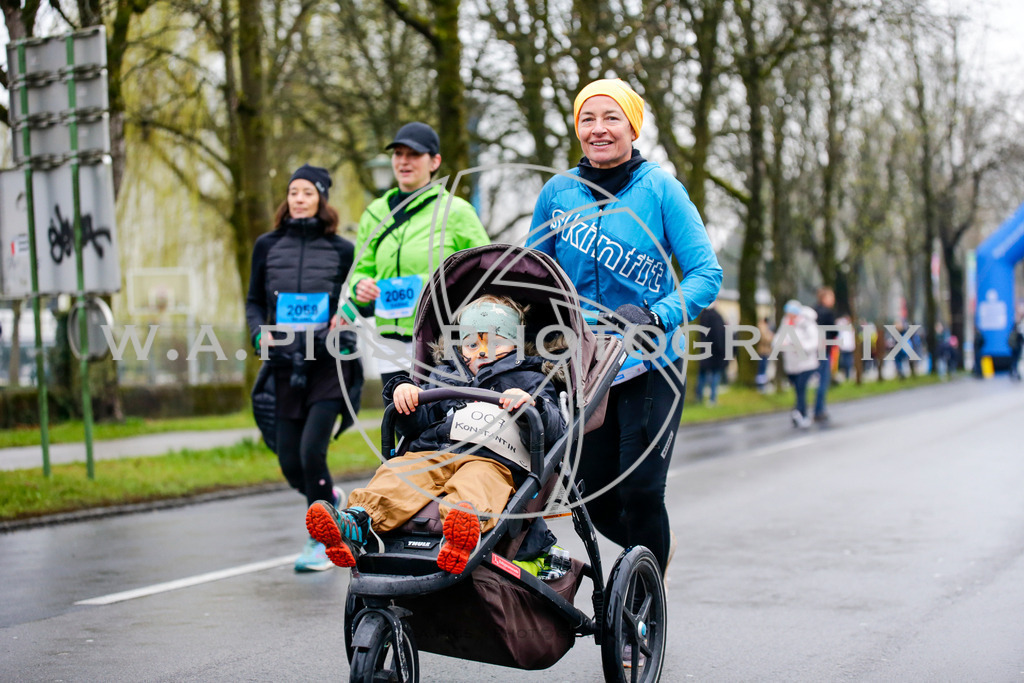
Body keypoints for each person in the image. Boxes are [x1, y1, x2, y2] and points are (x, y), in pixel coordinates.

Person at [527, 78, 722, 574]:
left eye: (611, 118)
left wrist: (659, 314)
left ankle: (641, 604)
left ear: (632, 127)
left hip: (651, 361)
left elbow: (706, 274)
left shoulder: (661, 188)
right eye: (587, 119)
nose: (599, 129)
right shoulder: (557, 194)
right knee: (590, 499)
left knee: (639, 488)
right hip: (584, 367)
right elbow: (533, 274)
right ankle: (653, 555)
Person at [305, 295, 567, 574]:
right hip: (435, 452)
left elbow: (555, 430)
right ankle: (357, 521)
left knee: (478, 481)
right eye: (472, 343)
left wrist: (531, 405)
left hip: (492, 458)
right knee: (400, 470)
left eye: (496, 342)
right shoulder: (443, 375)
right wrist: (406, 396)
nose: (482, 351)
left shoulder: (531, 377)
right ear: (461, 346)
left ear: (516, 343)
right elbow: (419, 425)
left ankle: (460, 531)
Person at [245, 164, 362, 573]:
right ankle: (330, 501)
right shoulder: (266, 245)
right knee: (290, 461)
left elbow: (356, 298)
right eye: (293, 191)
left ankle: (320, 539)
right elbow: (254, 301)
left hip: (329, 363)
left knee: (313, 452)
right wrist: (259, 334)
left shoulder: (342, 250)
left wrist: (345, 316)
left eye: (307, 192)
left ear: (321, 199)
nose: (298, 198)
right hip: (285, 363)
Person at [350, 122, 490, 385]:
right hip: (389, 340)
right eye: (398, 154)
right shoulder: (374, 213)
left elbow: (486, 269)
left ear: (434, 161)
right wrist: (361, 285)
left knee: (439, 420)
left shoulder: (456, 211)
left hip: (440, 338)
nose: (404, 161)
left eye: (413, 155)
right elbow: (361, 268)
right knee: (400, 420)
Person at [780, 300, 819, 429]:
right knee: (797, 388)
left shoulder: (807, 323)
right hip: (792, 364)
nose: (789, 315)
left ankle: (801, 413)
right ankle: (799, 413)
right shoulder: (786, 322)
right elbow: (778, 339)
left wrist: (801, 346)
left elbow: (814, 341)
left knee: (801, 388)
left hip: (806, 363)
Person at [812, 286, 836, 421]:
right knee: (823, 379)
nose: (833, 300)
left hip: (811, 350)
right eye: (831, 297)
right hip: (823, 349)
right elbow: (834, 332)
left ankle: (802, 408)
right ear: (824, 298)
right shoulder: (827, 313)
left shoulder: (812, 311)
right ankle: (819, 410)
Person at [696, 301, 726, 405]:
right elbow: (719, 335)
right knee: (715, 374)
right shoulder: (716, 317)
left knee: (702, 375)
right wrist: (722, 350)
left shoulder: (702, 316)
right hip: (715, 352)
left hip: (703, 351)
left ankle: (699, 398)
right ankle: (713, 399)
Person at [755, 316, 775, 391]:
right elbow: (765, 338)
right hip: (763, 351)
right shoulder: (762, 327)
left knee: (763, 369)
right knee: (762, 369)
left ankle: (762, 385)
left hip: (765, 351)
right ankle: (760, 386)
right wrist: (772, 337)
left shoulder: (763, 326)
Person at [1009, 316, 1023, 381]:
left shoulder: (1011, 333)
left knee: (1014, 361)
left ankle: (1012, 372)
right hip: (1017, 349)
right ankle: (1016, 373)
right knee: (1016, 362)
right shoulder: (1018, 334)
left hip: (1013, 349)